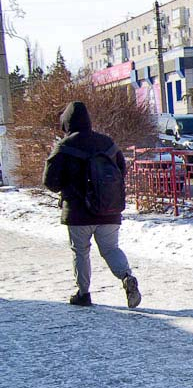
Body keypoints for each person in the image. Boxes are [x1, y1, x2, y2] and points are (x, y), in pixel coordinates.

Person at [42, 101, 141, 309]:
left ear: (66, 123)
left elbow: (50, 181)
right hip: (109, 210)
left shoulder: (64, 146)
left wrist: (69, 187)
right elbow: (121, 171)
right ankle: (126, 277)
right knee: (111, 248)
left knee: (80, 251)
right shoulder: (108, 143)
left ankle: (83, 293)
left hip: (78, 212)